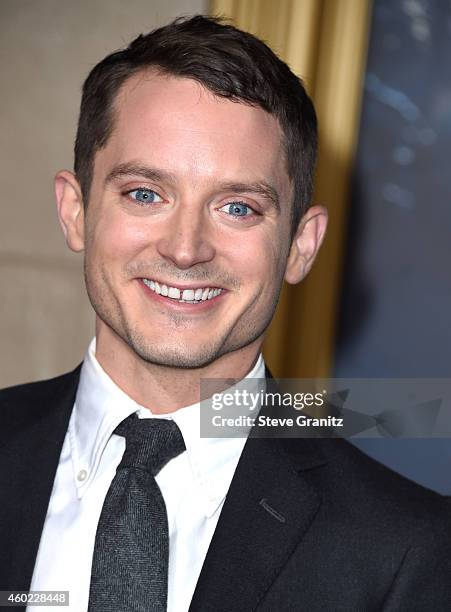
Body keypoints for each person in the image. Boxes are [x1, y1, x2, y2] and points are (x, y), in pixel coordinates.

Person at [1, 14, 450, 612]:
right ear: (76, 212)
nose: (185, 247)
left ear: (300, 245)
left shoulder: (404, 550)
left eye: (238, 207)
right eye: (145, 194)